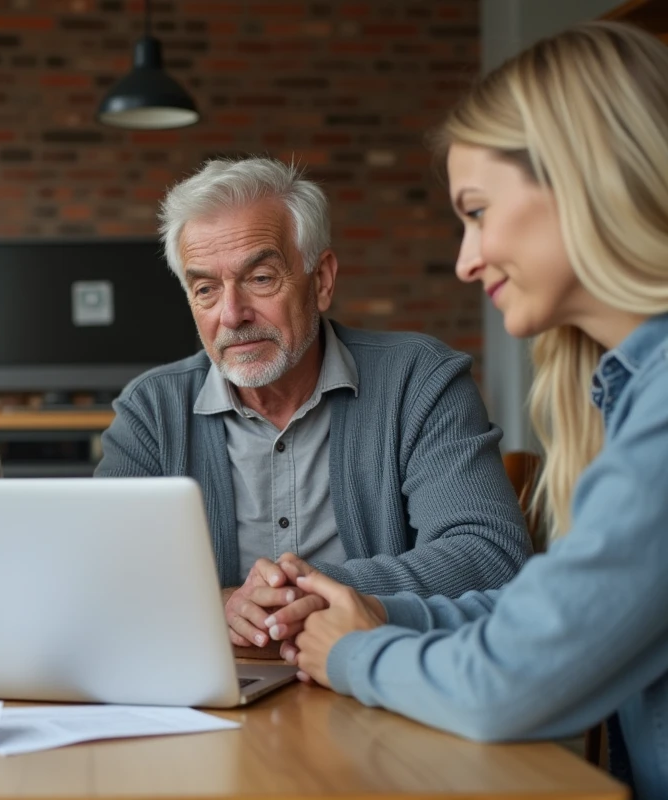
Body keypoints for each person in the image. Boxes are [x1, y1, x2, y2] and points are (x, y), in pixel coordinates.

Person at [271, 21, 668, 798]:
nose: (464, 258)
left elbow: (511, 682)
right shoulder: (629, 395)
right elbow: (549, 614)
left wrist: (352, 654)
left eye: (478, 211)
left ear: (586, 182)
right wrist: (378, 611)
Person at [95, 155, 530, 649]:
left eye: (260, 279)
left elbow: (490, 554)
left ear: (321, 280)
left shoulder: (419, 380)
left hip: (379, 682)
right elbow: (106, 583)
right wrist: (221, 604)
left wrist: (308, 590)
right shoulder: (150, 411)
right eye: (205, 289)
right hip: (217, 692)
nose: (232, 314)